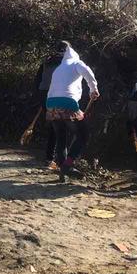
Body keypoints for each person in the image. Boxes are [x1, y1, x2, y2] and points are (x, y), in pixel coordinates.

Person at [45, 41, 99, 183]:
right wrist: (94, 89)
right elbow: (88, 73)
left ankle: (63, 170)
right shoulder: (77, 63)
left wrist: (48, 107)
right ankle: (68, 165)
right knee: (83, 134)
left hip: (51, 104)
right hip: (67, 103)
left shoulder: (58, 69)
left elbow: (51, 89)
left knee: (61, 137)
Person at [34, 48, 64, 168]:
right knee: (58, 127)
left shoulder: (47, 61)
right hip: (56, 95)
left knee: (53, 126)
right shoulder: (65, 63)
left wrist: (40, 98)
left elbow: (37, 81)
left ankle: (50, 157)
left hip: (44, 95)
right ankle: (55, 159)